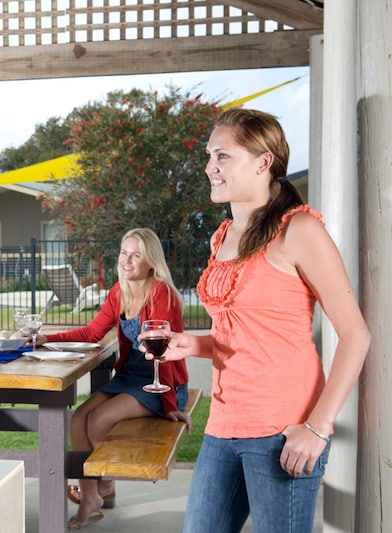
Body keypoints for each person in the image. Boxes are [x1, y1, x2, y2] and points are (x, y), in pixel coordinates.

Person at [149, 108, 370, 532]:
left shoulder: (299, 230)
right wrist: (191, 344)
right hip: (223, 425)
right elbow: (244, 337)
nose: (209, 167)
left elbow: (355, 334)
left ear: (263, 161)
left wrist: (317, 428)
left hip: (283, 430)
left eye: (222, 156)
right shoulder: (225, 234)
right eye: (209, 156)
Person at [34, 228, 188, 529]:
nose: (126, 261)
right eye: (123, 252)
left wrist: (170, 404)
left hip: (161, 383)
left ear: (151, 262)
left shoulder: (160, 292)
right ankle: (91, 495)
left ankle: (105, 480)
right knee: (78, 419)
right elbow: (91, 333)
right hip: (131, 376)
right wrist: (46, 338)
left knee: (99, 420)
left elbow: (164, 351)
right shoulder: (119, 292)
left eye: (136, 255)